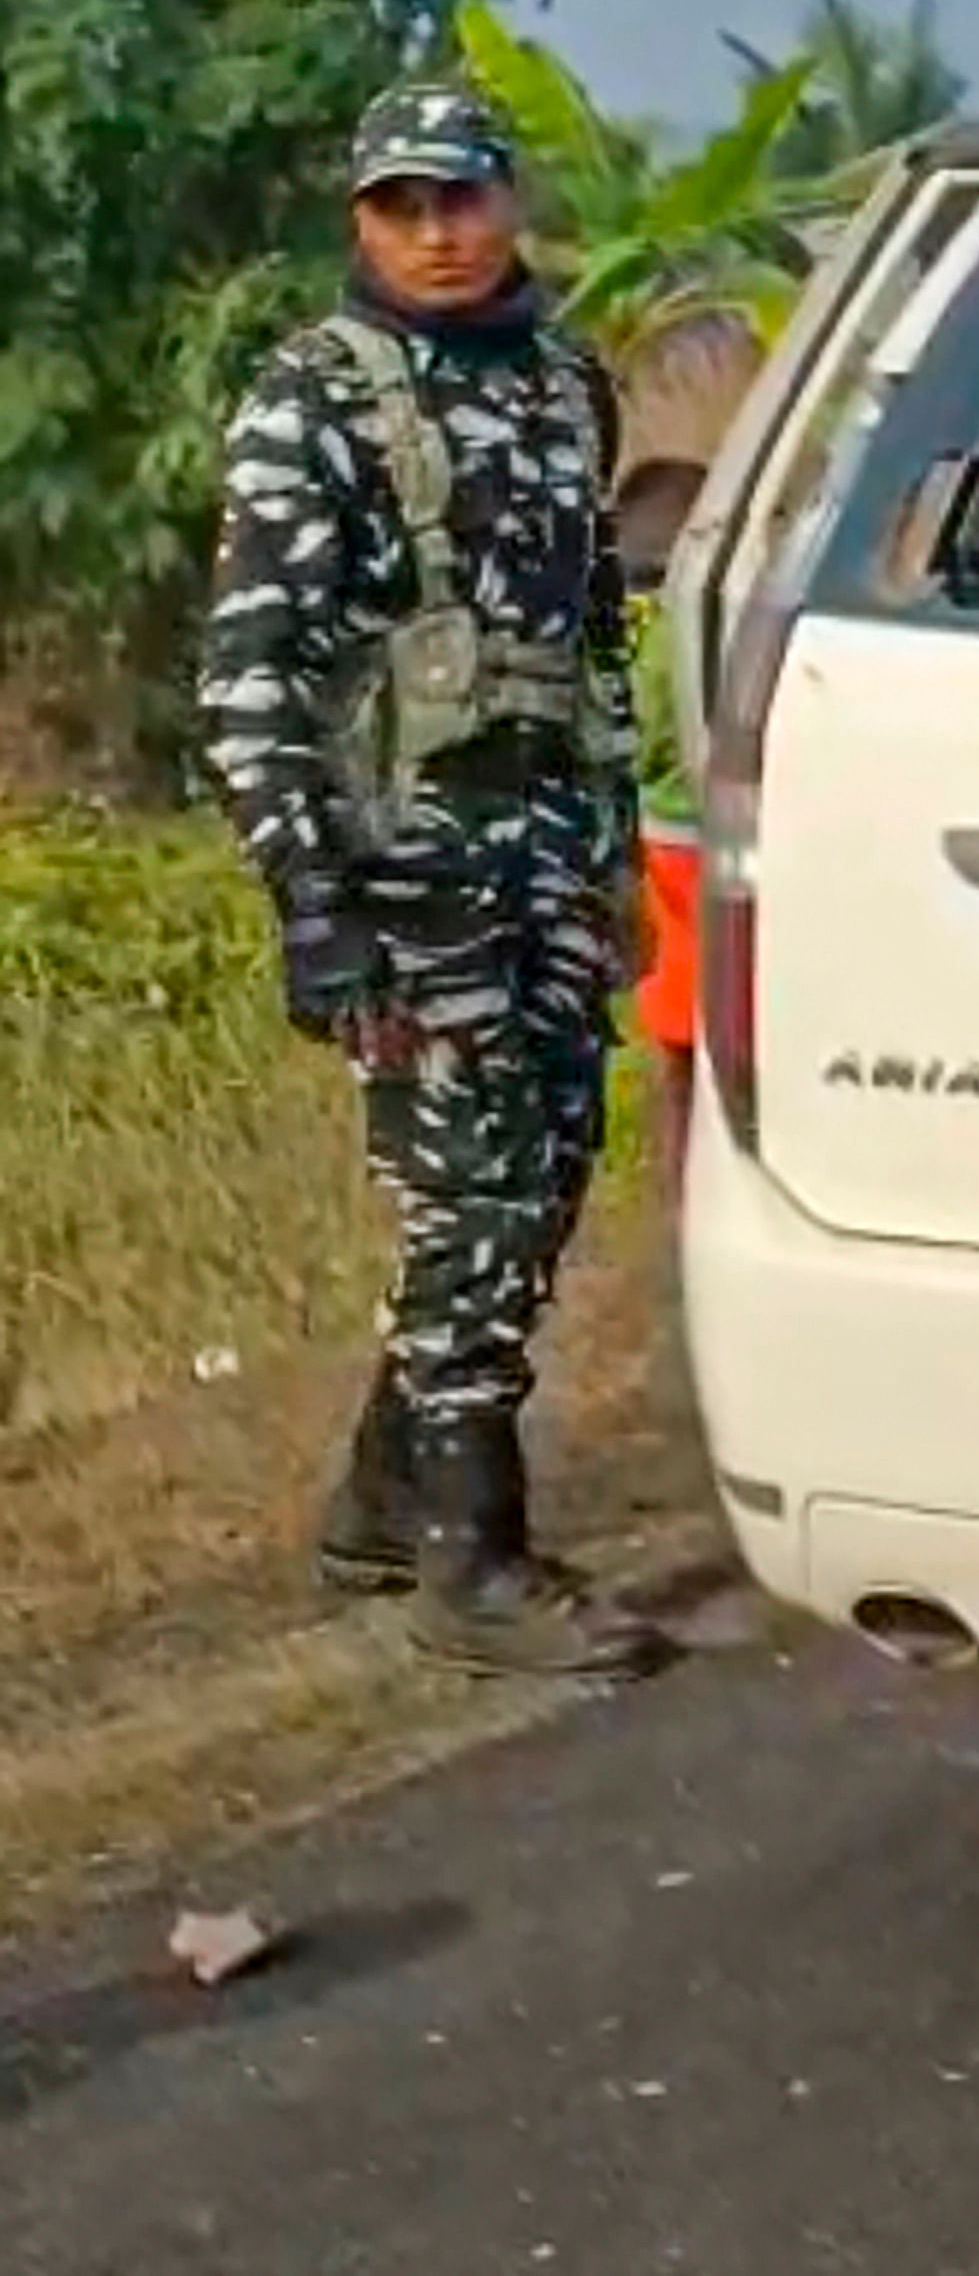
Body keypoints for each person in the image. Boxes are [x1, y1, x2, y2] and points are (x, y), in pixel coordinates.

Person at [201, 82, 664, 1681]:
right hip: (404, 865)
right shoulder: (313, 398)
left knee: (543, 1183)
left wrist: (616, 852)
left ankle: (382, 1506)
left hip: (545, 848)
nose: (438, 232)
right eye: (401, 204)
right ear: (361, 220)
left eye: (461, 197)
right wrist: (311, 903)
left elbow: (597, 627)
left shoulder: (558, 381)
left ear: (508, 200)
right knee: (462, 1193)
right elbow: (253, 669)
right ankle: (478, 1557)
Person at [612, 458, 707, 1222]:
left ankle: (684, 1207)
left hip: (652, 842)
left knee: (679, 1046)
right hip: (703, 843)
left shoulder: (615, 624)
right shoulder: (687, 624)